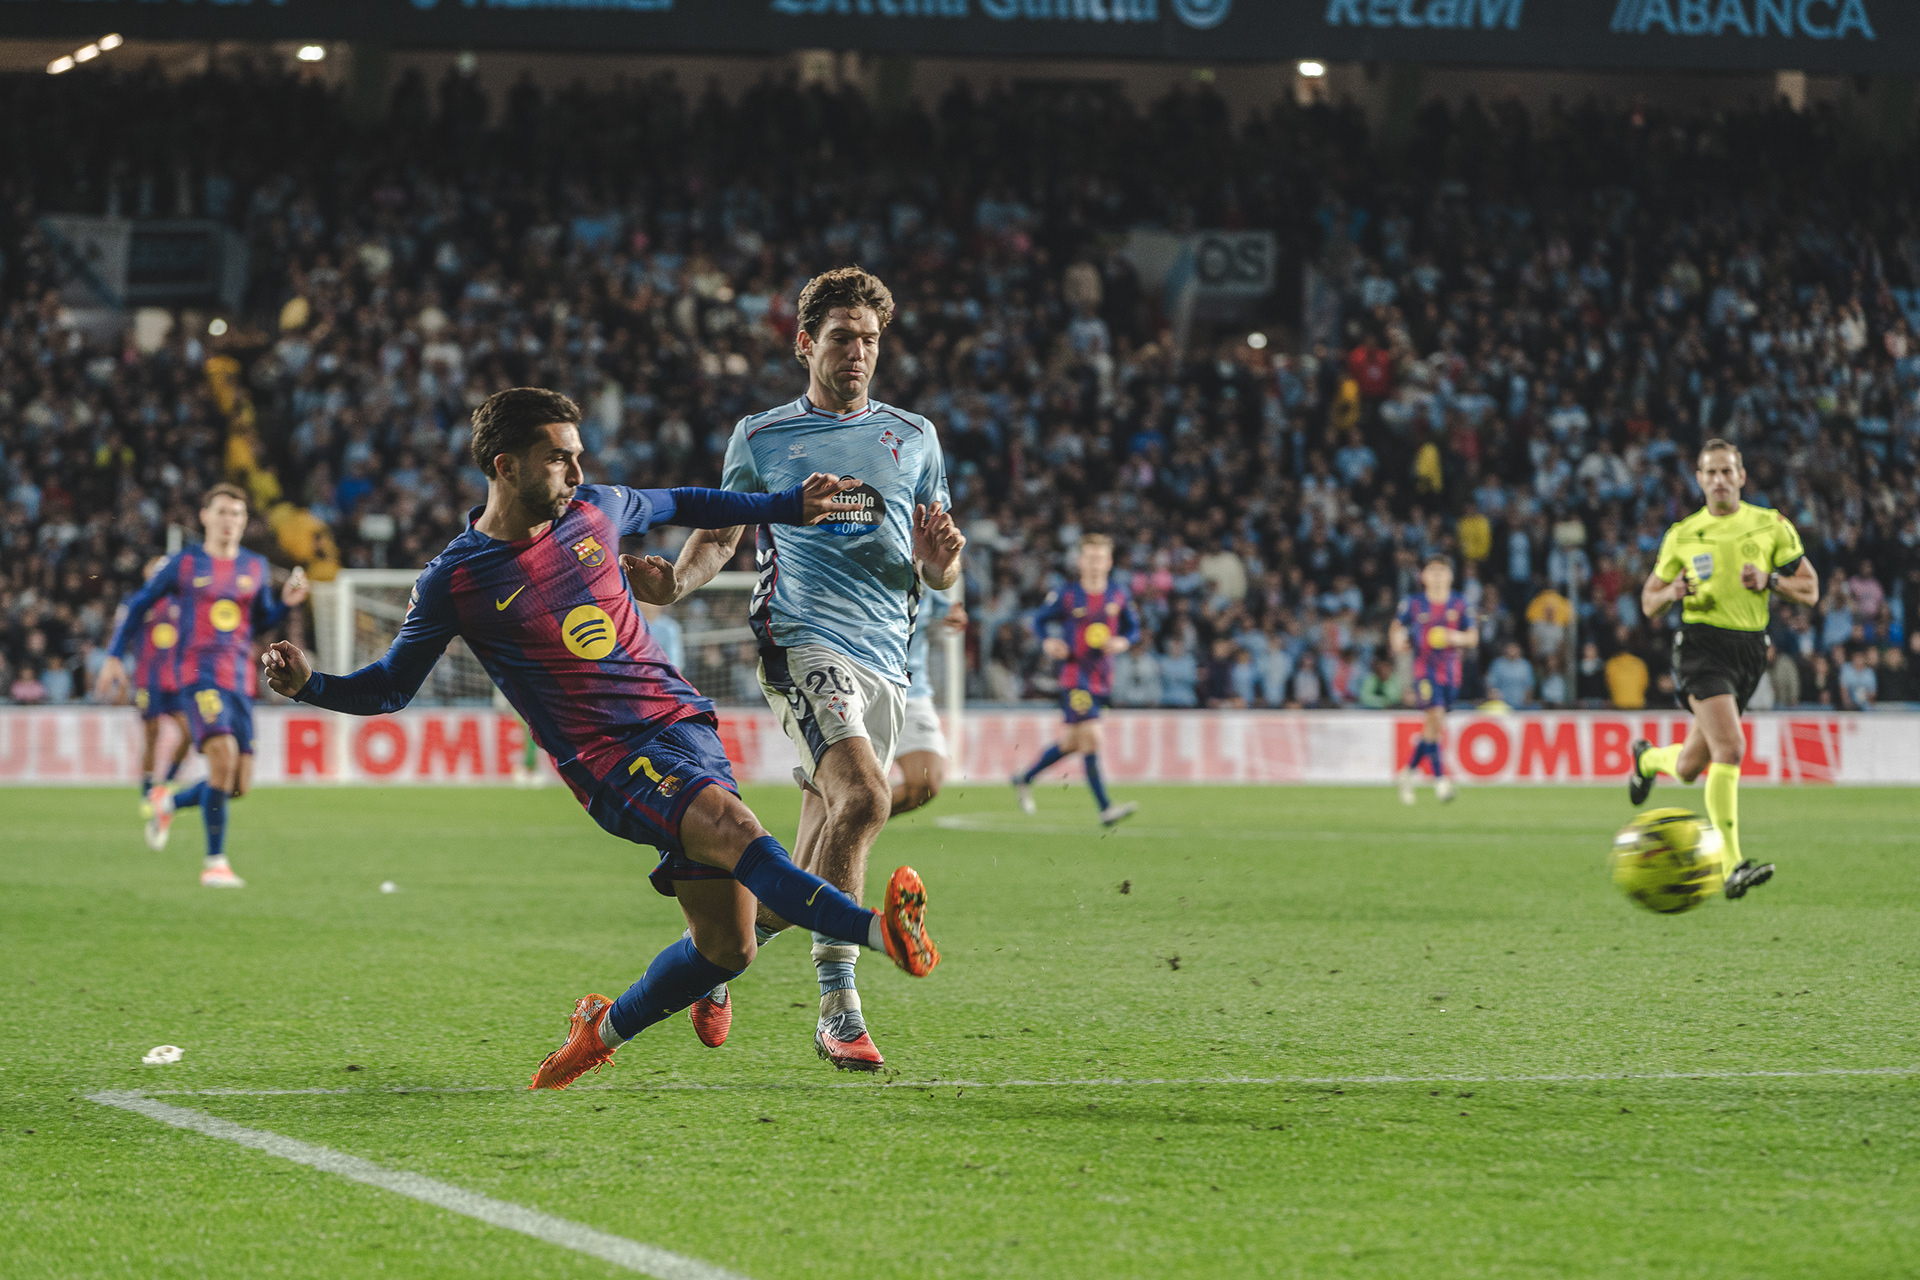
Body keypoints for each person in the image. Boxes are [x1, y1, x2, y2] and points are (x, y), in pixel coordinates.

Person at [259, 388, 940, 1091]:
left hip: (685, 728)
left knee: (728, 948)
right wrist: (312, 686)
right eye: (558, 458)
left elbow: (688, 501)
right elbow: (389, 687)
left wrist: (786, 505)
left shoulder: (596, 511)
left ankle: (599, 1031)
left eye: (578, 456)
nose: (577, 473)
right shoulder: (455, 579)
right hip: (612, 760)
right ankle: (877, 933)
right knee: (741, 833)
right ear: (506, 466)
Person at [643, 269, 966, 1073]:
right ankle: (838, 1008)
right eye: (842, 337)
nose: (858, 352)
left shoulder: (915, 436)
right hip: (800, 641)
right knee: (867, 797)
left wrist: (941, 567)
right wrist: (675, 583)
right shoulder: (762, 437)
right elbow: (723, 532)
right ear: (805, 344)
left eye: (870, 339)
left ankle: (713, 957)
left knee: (819, 859)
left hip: (887, 658)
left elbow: (939, 563)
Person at [1630, 439, 1818, 900]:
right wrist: (1672, 592)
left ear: (1741, 476)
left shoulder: (1770, 525)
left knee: (1691, 766)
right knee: (1730, 748)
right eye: (1710, 472)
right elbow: (1649, 601)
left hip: (1749, 650)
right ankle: (1732, 864)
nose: (1719, 479)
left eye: (1726, 471)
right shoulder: (1683, 534)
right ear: (1699, 480)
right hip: (1701, 647)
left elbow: (1810, 589)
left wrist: (1771, 580)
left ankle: (1647, 759)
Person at [98, 485, 310, 888]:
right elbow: (140, 603)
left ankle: (168, 801)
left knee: (238, 785)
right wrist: (113, 654)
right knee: (222, 758)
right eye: (223, 512)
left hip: (240, 679)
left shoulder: (255, 566)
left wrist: (286, 603)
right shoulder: (184, 562)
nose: (230, 520)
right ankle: (215, 863)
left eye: (237, 514)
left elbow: (259, 621)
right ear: (205, 516)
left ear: (244, 522)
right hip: (197, 675)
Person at [1011, 533, 1142, 826]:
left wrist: (1122, 641)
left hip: (1102, 678)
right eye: (1090, 558)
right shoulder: (1068, 594)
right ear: (1081, 561)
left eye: (1100, 558)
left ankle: (1024, 778)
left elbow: (1134, 629)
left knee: (1073, 741)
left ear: (1109, 562)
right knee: (1092, 737)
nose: (1095, 564)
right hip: (1074, 676)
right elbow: (1039, 620)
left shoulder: (1118, 594)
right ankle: (1106, 808)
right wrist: (1048, 642)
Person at [1390, 554, 1476, 803]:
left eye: (1442, 571)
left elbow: (1472, 637)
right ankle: (1441, 782)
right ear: (1424, 577)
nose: (1437, 576)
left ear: (1450, 576)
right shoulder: (1414, 602)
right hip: (1424, 670)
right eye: (1432, 571)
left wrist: (1453, 637)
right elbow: (1396, 628)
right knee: (1435, 716)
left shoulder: (1460, 602)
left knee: (1432, 727)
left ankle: (1407, 772)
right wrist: (1397, 642)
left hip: (1450, 672)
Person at [123, 556, 192, 847]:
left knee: (189, 732)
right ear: (146, 572)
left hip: (176, 680)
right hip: (148, 679)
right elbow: (124, 631)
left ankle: (168, 783)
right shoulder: (140, 601)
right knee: (152, 735)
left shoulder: (182, 601)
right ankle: (147, 790)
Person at [891, 585, 967, 816]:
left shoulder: (919, 580)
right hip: (858, 689)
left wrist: (954, 615)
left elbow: (947, 608)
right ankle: (831, 829)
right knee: (851, 786)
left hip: (912, 691)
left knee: (925, 784)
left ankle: (841, 828)